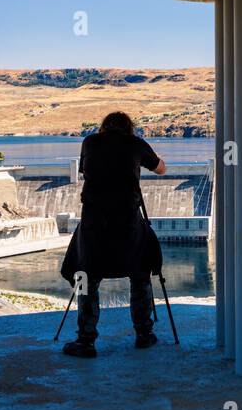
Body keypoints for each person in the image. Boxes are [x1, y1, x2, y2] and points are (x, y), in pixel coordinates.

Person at [60, 112, 166, 358]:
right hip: (128, 223)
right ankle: (144, 334)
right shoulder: (136, 143)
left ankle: (86, 341)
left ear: (103, 127)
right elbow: (161, 169)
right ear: (129, 127)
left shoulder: (90, 142)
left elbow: (86, 169)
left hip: (94, 225)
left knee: (87, 279)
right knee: (140, 275)